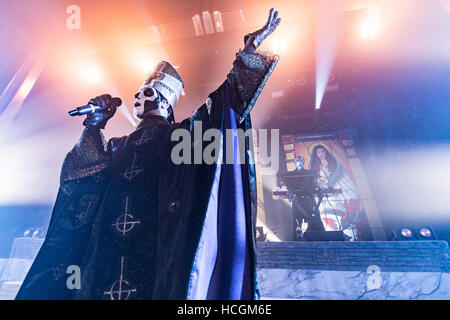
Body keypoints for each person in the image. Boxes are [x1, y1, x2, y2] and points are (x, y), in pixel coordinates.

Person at [16, 8, 281, 300]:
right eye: (138, 93)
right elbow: (79, 178)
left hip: (157, 254)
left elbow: (222, 106)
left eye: (148, 92)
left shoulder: (179, 139)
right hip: (102, 256)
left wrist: (249, 52)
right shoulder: (116, 145)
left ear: (166, 100)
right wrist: (94, 127)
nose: (138, 97)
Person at [308, 145, 362, 239]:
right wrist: (321, 184)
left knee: (339, 211)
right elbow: (312, 179)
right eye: (318, 152)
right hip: (322, 193)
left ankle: (344, 233)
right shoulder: (314, 166)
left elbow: (340, 175)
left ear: (326, 152)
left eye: (322, 151)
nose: (321, 154)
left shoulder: (334, 163)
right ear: (316, 154)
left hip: (335, 189)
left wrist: (331, 183)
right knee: (324, 212)